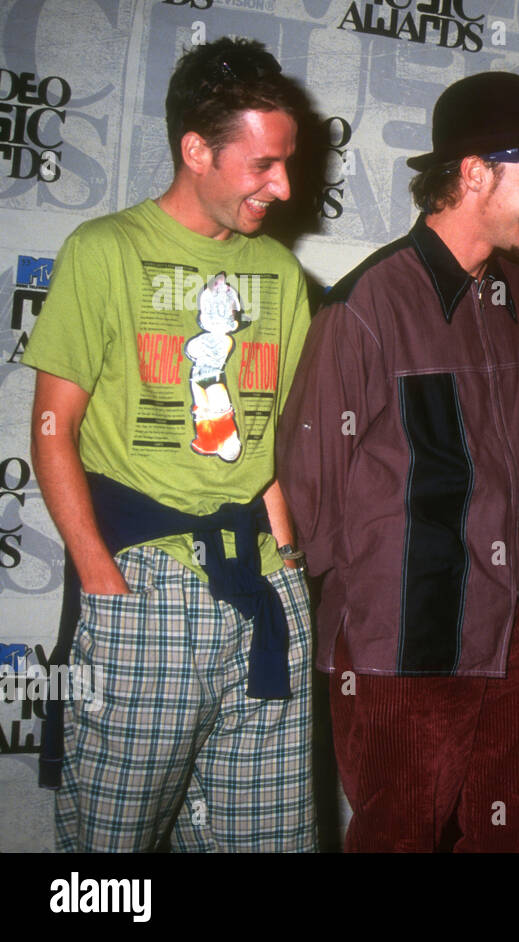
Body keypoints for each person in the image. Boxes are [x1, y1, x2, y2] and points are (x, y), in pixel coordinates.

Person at [277, 72, 519, 852]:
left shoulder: (515, 294)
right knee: (399, 839)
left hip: (516, 628)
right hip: (403, 644)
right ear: (475, 173)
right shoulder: (364, 306)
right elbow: (308, 495)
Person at [24, 37, 315, 851]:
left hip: (263, 585)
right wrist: (99, 579)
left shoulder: (282, 276)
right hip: (143, 581)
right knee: (112, 852)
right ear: (196, 150)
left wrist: (289, 563)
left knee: (264, 839)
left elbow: (278, 449)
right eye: (261, 165)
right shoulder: (103, 250)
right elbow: (53, 430)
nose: (282, 186)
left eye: (286, 163)